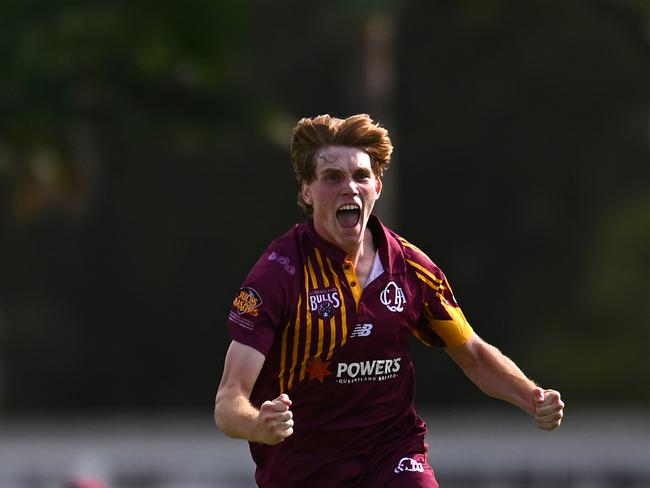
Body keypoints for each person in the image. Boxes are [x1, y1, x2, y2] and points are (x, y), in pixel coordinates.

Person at [214, 114, 564, 487]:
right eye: (333, 177)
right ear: (306, 191)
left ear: (377, 187)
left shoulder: (411, 268)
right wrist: (259, 424)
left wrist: (531, 396)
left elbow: (473, 354)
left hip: (392, 452)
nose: (349, 188)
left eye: (361, 176)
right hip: (305, 470)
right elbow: (228, 401)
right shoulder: (278, 276)